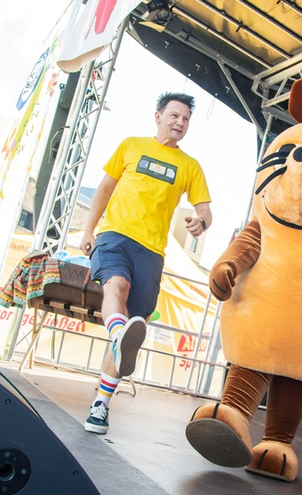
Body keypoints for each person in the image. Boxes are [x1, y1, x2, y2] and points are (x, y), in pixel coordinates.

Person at [78, 92, 213, 435]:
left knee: (129, 334)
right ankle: (118, 331)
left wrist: (202, 222)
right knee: (116, 287)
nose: (180, 123)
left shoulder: (190, 166)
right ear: (158, 116)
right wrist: (88, 229)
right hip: (114, 236)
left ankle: (101, 405)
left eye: (185, 119)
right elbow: (105, 187)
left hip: (152, 252)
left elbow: (205, 209)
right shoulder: (131, 146)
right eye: (174, 116)